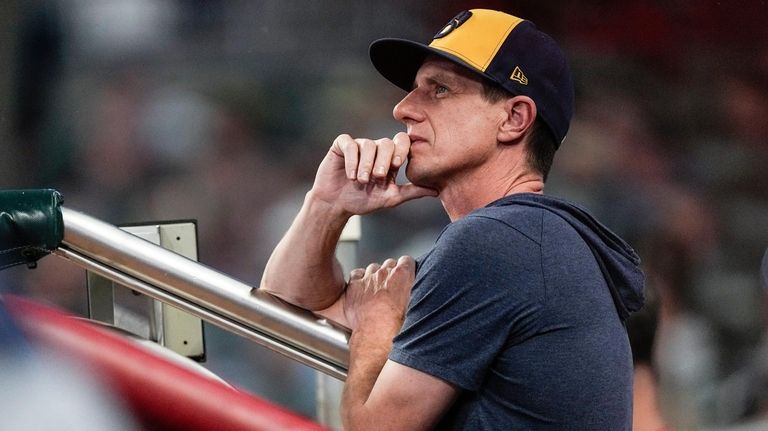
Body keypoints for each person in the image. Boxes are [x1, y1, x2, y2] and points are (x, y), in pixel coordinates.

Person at [260, 9, 645, 430]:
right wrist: (327, 204)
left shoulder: (496, 244)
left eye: (439, 90)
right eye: (413, 90)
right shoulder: (520, 244)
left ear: (514, 118)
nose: (402, 109)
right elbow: (283, 309)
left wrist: (375, 324)